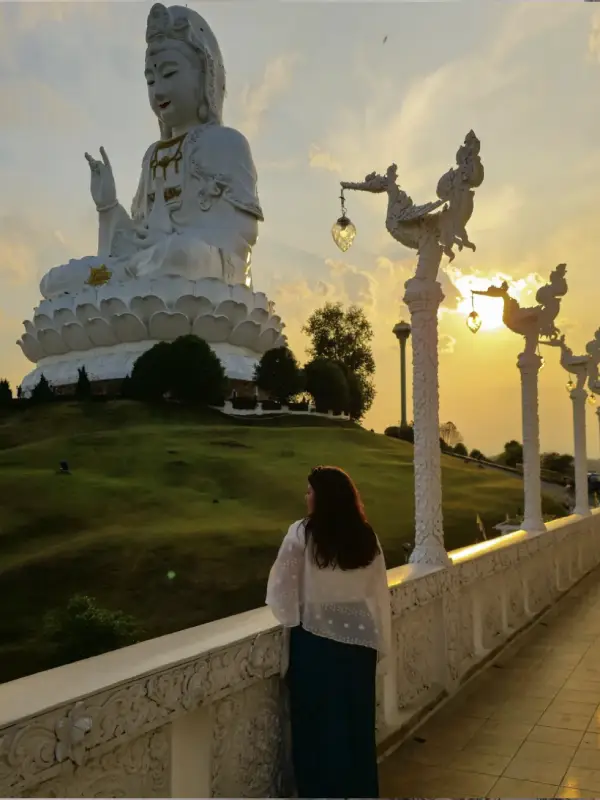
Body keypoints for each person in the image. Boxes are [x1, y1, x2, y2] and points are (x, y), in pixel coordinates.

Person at [266, 465, 392, 799]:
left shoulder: (301, 534)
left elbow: (280, 593)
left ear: (322, 497)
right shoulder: (366, 536)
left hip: (316, 640)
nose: (305, 497)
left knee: (316, 728)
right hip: (359, 640)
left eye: (309, 491)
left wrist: (307, 606)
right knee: (355, 725)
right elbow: (376, 589)